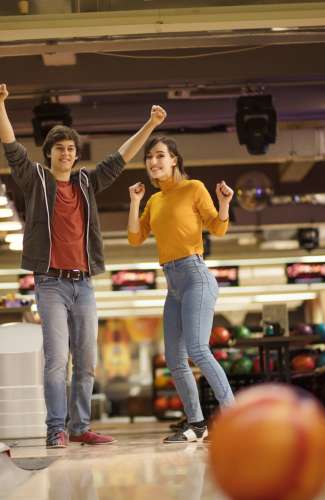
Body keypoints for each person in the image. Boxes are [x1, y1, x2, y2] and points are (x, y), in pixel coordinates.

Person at [0, 83, 166, 448]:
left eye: (72, 149)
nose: (67, 154)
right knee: (57, 362)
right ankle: (56, 427)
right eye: (60, 149)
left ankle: (80, 426)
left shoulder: (86, 182)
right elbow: (11, 149)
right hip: (51, 284)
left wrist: (149, 125)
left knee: (85, 361)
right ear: (50, 153)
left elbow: (120, 158)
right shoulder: (36, 179)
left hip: (83, 284)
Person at [127, 136, 235, 443]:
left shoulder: (194, 188)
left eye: (160, 155)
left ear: (174, 160)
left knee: (198, 350)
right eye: (149, 157)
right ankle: (197, 424)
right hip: (172, 284)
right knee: (173, 357)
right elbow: (135, 238)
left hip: (196, 276)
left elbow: (218, 227)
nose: (153, 161)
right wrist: (135, 202)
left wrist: (225, 202)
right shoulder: (154, 201)